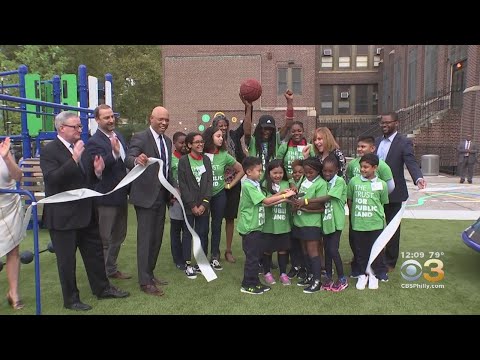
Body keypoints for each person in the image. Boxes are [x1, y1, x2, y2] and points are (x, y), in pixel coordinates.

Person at [40, 111, 129, 311]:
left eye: (80, 126)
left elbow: (86, 181)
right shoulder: (50, 151)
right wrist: (73, 159)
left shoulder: (82, 148)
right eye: (76, 127)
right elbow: (53, 180)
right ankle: (71, 299)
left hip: (86, 213)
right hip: (63, 218)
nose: (80, 130)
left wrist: (97, 172)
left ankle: (102, 289)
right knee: (67, 261)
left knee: (95, 254)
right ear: (62, 128)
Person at [125, 106, 172, 296]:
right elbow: (128, 158)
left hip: (162, 197)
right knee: (146, 239)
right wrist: (137, 160)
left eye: (167, 120)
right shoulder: (141, 137)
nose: (164, 123)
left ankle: (150, 273)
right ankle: (145, 282)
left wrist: (172, 190)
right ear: (150, 118)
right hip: (145, 197)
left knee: (157, 238)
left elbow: (167, 168)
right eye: (160, 119)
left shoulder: (167, 141)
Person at [375, 112, 426, 272]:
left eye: (388, 122)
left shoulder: (404, 142)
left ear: (396, 123)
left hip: (395, 194)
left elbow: (410, 162)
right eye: (382, 122)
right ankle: (372, 256)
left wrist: (418, 178)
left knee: (392, 229)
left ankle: (390, 261)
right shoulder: (376, 141)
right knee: (372, 226)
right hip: (375, 192)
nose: (384, 125)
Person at [237, 156, 296, 295]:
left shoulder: (255, 184)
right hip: (250, 228)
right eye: (258, 170)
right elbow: (267, 202)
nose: (261, 173)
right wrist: (284, 196)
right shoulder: (248, 185)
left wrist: (283, 196)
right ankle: (247, 285)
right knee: (252, 259)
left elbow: (264, 203)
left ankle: (255, 282)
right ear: (248, 172)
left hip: (256, 227)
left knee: (256, 257)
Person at [85, 104, 130, 280]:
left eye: (112, 116)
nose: (111, 120)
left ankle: (111, 269)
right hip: (105, 197)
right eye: (106, 117)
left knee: (119, 235)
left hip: (122, 195)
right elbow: (98, 166)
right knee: (104, 238)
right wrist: (114, 154)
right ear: (97, 120)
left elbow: (125, 161)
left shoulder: (118, 135)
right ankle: (101, 276)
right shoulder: (93, 142)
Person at [212, 99, 251, 264]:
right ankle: (214, 251)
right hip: (216, 185)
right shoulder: (211, 141)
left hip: (232, 183)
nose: (223, 128)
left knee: (229, 218)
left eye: (224, 125)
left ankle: (228, 250)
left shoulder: (233, 136)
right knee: (215, 219)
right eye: (219, 126)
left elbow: (246, 127)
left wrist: (248, 107)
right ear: (214, 128)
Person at [202, 125, 244, 270]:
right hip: (203, 196)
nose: (221, 138)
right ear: (210, 137)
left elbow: (241, 169)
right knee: (202, 227)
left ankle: (215, 255)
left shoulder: (225, 155)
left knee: (216, 225)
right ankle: (202, 256)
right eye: (218, 136)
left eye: (222, 136)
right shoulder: (201, 154)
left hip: (219, 194)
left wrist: (230, 185)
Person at [347, 153, 389, 290]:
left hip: (375, 224)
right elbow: (350, 199)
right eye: (361, 167)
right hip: (358, 223)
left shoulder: (382, 184)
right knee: (360, 251)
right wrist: (353, 216)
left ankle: (374, 275)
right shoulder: (353, 181)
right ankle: (362, 274)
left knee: (375, 251)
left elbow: (382, 202)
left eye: (366, 167)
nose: (363, 169)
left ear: (375, 167)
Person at [178, 132, 213, 278]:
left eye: (202, 142)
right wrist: (192, 205)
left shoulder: (206, 159)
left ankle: (201, 263)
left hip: (204, 205)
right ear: (189, 145)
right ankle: (187, 263)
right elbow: (183, 185)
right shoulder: (184, 161)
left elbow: (209, 183)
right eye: (196, 142)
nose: (200, 144)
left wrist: (204, 204)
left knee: (203, 233)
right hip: (189, 205)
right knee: (188, 234)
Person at [291, 157, 328, 294]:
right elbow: (299, 194)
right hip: (299, 221)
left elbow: (319, 204)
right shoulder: (303, 180)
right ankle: (310, 275)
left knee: (313, 251)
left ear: (318, 171)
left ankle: (317, 281)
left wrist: (303, 204)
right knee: (304, 250)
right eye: (305, 172)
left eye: (310, 172)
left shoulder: (321, 184)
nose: (307, 174)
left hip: (312, 223)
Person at [0, 137, 25, 310]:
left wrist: (7, 157)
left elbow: (18, 176)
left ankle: (13, 293)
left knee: (13, 249)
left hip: (10, 206)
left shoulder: (5, 150)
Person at [260, 159, 292, 286]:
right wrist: (284, 199)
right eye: (274, 173)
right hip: (268, 225)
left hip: (283, 224)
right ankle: (267, 272)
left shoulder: (287, 184)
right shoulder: (264, 185)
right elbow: (266, 202)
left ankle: (283, 273)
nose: (278, 175)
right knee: (267, 250)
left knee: (283, 250)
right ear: (269, 173)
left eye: (280, 172)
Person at [169, 131, 189, 269]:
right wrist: (170, 194)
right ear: (174, 143)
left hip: (188, 199)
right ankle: (178, 259)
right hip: (175, 200)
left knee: (187, 228)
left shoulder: (189, 158)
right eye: (180, 143)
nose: (183, 145)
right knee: (176, 229)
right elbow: (166, 177)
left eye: (185, 143)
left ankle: (186, 255)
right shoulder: (170, 159)